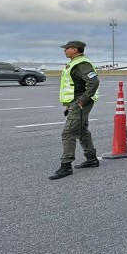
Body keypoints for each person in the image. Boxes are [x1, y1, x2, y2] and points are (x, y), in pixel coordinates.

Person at [49, 40, 101, 180]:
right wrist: (69, 104)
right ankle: (91, 159)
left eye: (67, 48)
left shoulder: (82, 64)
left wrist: (83, 100)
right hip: (75, 101)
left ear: (75, 50)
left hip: (80, 102)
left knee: (68, 132)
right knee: (81, 130)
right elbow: (74, 85)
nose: (64, 51)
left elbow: (94, 82)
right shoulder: (74, 63)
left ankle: (66, 166)